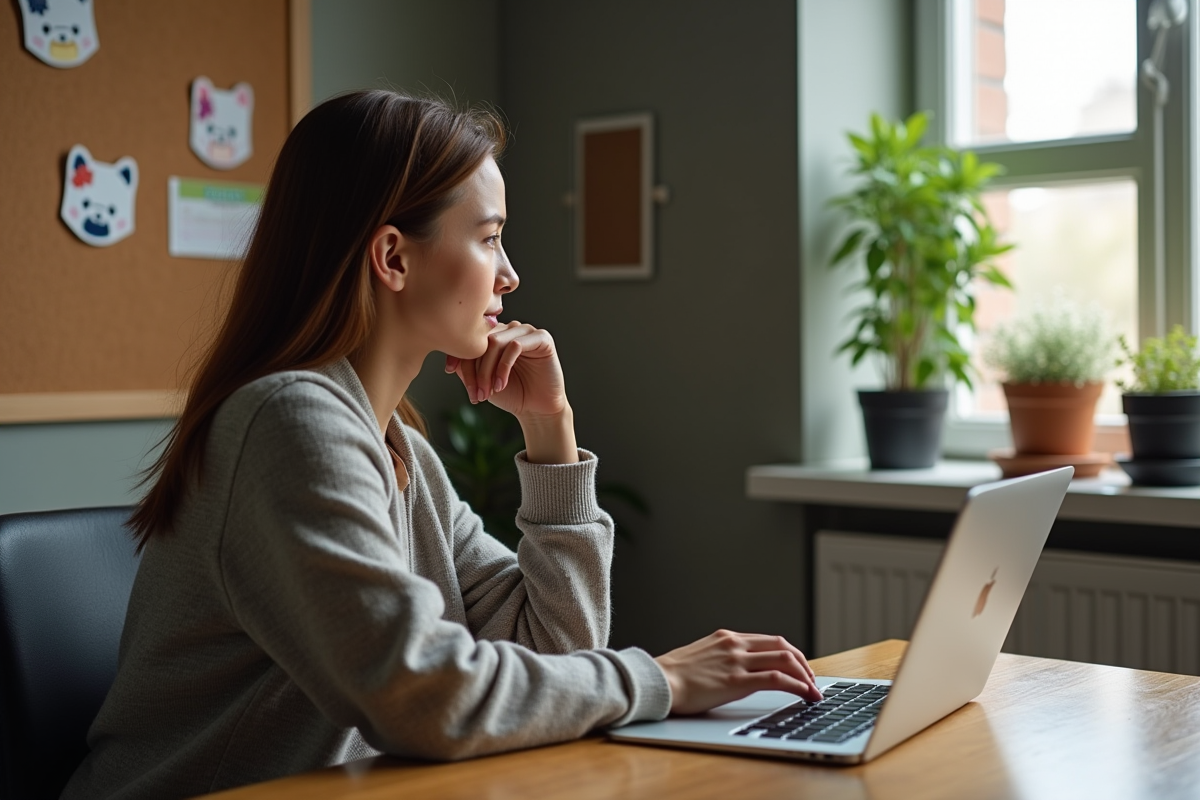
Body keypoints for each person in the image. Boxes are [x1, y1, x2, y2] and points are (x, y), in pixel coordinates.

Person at [63, 91, 821, 799]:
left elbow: (552, 654)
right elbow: (424, 698)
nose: (512, 275)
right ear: (392, 258)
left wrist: (550, 432)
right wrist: (659, 681)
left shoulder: (402, 454)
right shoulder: (288, 424)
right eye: (490, 239)